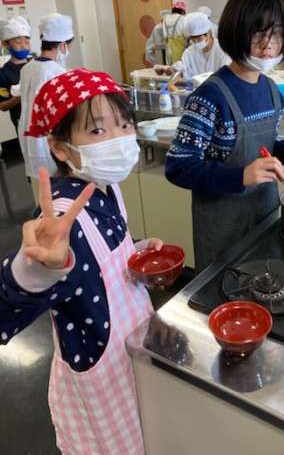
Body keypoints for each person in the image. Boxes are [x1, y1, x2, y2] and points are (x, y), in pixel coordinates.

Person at [0, 68, 163, 454]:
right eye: (97, 130)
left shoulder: (107, 187)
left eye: (125, 125)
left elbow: (103, 263)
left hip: (133, 355)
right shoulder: (63, 221)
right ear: (60, 148)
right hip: (102, 381)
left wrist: (136, 252)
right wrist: (35, 270)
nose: (119, 139)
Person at [165, 0, 284, 270]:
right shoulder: (209, 97)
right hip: (222, 231)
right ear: (236, 32)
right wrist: (240, 176)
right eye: (258, 33)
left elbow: (264, 149)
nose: (268, 44)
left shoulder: (272, 92)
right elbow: (178, 167)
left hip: (265, 219)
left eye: (277, 34)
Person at [17, 13, 74, 180]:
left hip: (29, 137)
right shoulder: (57, 73)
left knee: (40, 184)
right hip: (49, 140)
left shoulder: (27, 68)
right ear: (63, 44)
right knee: (56, 183)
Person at [172, 11, 231, 79]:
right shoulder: (189, 52)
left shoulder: (222, 50)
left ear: (209, 33)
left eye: (198, 38)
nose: (196, 42)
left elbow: (226, 74)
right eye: (192, 38)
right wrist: (175, 69)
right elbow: (183, 67)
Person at [0, 16, 32, 133]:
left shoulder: (36, 64)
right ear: (5, 44)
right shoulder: (3, 73)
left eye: (27, 41)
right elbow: (3, 106)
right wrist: (20, 96)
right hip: (22, 122)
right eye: (18, 42)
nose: (23, 46)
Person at [162, 1, 188, 65]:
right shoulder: (183, 19)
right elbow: (186, 34)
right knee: (180, 66)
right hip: (181, 46)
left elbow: (165, 35)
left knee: (170, 66)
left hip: (169, 47)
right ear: (182, 11)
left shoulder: (165, 19)